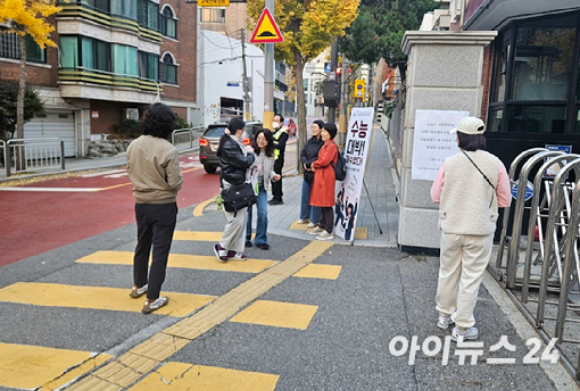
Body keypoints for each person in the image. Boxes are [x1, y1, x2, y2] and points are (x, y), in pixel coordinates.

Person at [430, 116, 511, 341]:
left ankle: (443, 316)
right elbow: (505, 200)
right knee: (471, 277)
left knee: (448, 271)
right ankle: (462, 327)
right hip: (480, 228)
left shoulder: (450, 163)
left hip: (452, 227)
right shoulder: (496, 163)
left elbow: (435, 195)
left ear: (460, 138)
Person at [126, 103, 183, 314]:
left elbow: (129, 169)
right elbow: (175, 183)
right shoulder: (168, 149)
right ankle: (152, 299)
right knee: (160, 251)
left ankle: (138, 285)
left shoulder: (133, 145)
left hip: (141, 204)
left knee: (142, 245)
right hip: (163, 205)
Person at [214, 118, 255, 262]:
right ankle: (222, 246)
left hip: (239, 183)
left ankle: (234, 249)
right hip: (232, 185)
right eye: (244, 130)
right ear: (239, 131)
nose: (245, 133)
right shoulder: (229, 145)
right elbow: (244, 162)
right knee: (236, 219)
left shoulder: (233, 142)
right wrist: (250, 154)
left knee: (242, 218)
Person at [246, 129, 281, 250]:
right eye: (259, 138)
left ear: (268, 141)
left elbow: (269, 170)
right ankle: (246, 237)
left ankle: (260, 239)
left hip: (262, 187)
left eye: (264, 139)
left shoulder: (270, 154)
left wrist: (273, 176)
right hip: (249, 187)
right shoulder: (249, 151)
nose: (261, 141)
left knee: (263, 212)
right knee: (247, 213)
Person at [308, 122, 339, 241]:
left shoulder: (331, 146)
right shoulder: (326, 144)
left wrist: (313, 164)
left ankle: (328, 229)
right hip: (321, 175)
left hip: (326, 175)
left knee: (326, 202)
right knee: (321, 201)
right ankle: (322, 225)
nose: (322, 133)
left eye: (325, 131)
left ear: (330, 133)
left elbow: (324, 161)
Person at [298, 120, 324, 227]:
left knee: (315, 197)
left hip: (316, 173)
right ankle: (304, 217)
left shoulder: (323, 143)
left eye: (315, 127)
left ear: (321, 129)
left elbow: (319, 157)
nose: (313, 129)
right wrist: (304, 163)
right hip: (307, 173)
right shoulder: (310, 141)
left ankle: (315, 219)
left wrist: (308, 164)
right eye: (312, 127)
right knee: (305, 195)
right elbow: (303, 153)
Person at [269, 114, 289, 205]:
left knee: (277, 178)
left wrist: (271, 144)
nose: (274, 122)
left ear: (281, 123)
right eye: (274, 120)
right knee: (272, 178)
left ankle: (278, 198)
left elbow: (281, 146)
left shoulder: (283, 133)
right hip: (272, 158)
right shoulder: (274, 132)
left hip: (278, 158)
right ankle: (275, 196)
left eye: (276, 121)